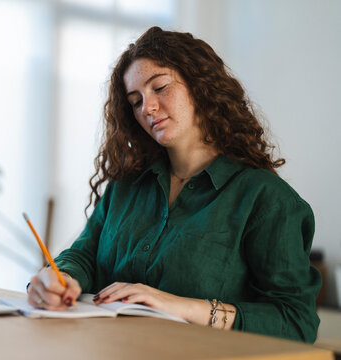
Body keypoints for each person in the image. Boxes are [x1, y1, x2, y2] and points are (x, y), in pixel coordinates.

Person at [26, 26, 321, 343]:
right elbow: (84, 255)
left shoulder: (266, 200)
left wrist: (181, 307)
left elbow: (296, 322)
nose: (147, 108)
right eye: (136, 101)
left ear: (200, 86)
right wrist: (59, 278)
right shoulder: (125, 186)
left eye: (160, 88)